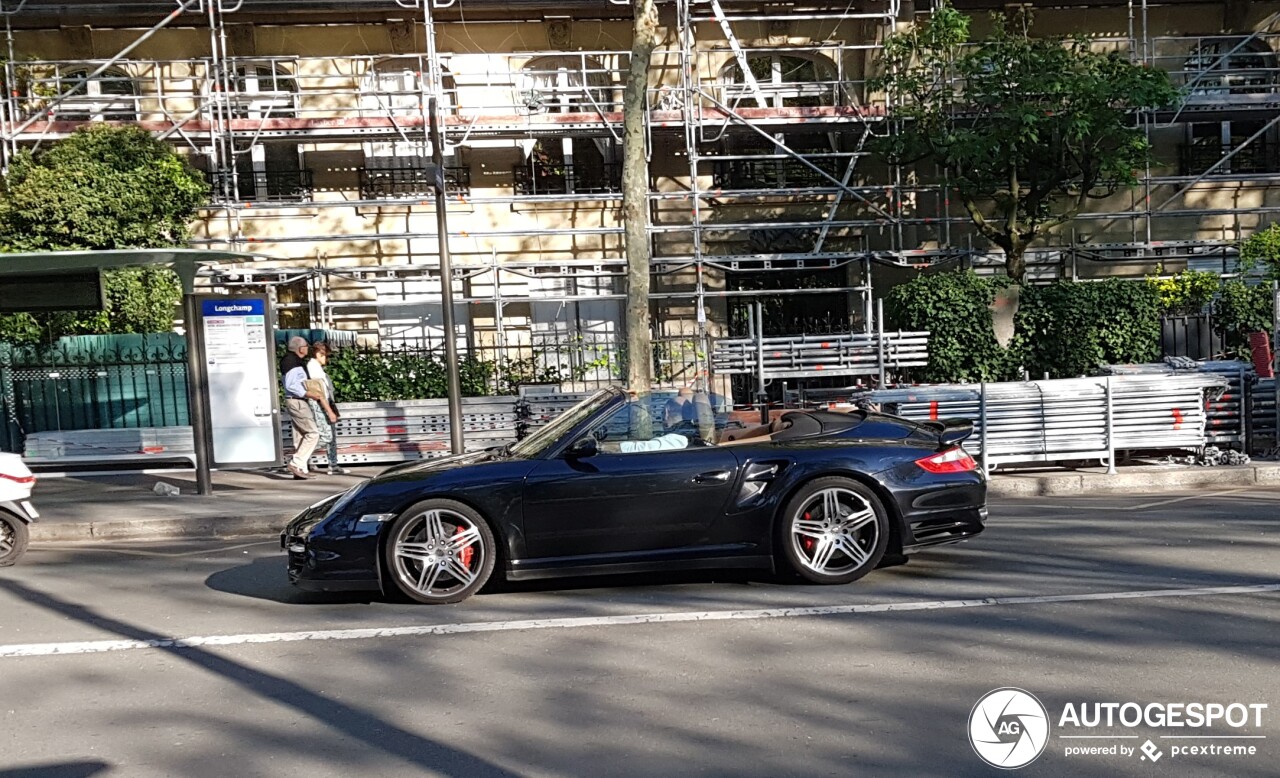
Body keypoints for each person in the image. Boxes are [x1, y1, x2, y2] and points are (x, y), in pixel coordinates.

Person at [280, 336, 334, 480]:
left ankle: (300, 470)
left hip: (296, 401)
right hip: (297, 401)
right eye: (305, 346)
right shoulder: (291, 361)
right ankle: (296, 463)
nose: (307, 349)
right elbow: (292, 384)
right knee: (313, 433)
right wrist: (308, 393)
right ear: (300, 348)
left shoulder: (293, 361)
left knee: (301, 435)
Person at [306, 341, 346, 475]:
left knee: (331, 435)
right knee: (326, 435)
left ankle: (333, 464)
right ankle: (300, 457)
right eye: (324, 355)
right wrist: (329, 410)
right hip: (321, 404)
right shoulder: (313, 367)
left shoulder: (316, 367)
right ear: (318, 353)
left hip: (327, 402)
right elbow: (319, 392)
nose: (326, 359)